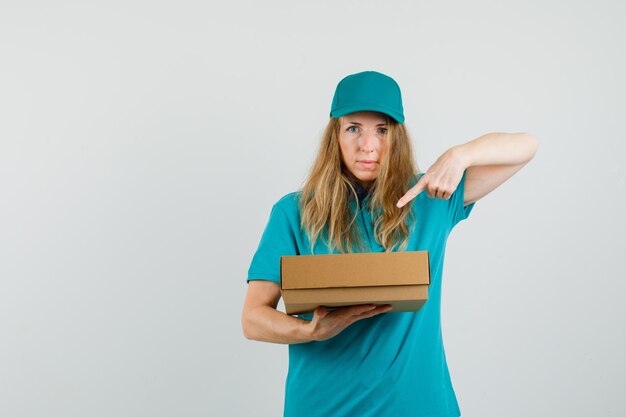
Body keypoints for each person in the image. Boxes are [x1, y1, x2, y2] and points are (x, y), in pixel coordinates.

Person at [242, 70, 538, 417]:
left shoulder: (430, 197)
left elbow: (526, 146)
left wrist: (460, 155)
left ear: (397, 136)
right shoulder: (294, 211)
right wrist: (311, 330)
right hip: (324, 407)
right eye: (354, 128)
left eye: (382, 130)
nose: (368, 145)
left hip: (419, 406)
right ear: (334, 135)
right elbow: (253, 318)